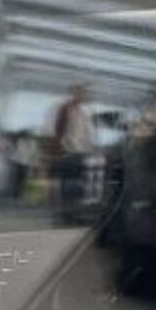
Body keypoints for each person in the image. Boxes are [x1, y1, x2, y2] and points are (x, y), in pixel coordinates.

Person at [51, 83, 94, 220]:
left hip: (81, 151)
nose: (85, 96)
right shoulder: (66, 109)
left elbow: (86, 133)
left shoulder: (82, 111)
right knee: (69, 183)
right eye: (82, 93)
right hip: (69, 151)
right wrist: (62, 149)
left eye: (85, 94)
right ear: (75, 94)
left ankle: (74, 211)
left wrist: (88, 148)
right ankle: (67, 212)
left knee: (77, 183)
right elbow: (59, 130)